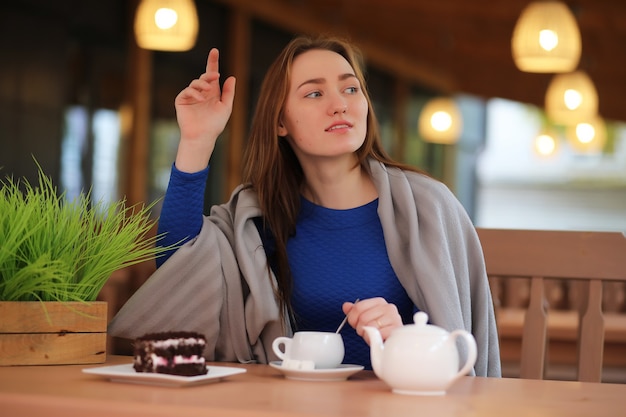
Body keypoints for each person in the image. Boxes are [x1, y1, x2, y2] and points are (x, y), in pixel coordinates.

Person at [109, 34, 501, 377]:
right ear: (281, 122)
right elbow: (178, 265)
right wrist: (197, 141)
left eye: (351, 89)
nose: (339, 104)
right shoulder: (256, 218)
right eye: (315, 93)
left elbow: (464, 350)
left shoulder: (429, 206)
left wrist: (405, 337)